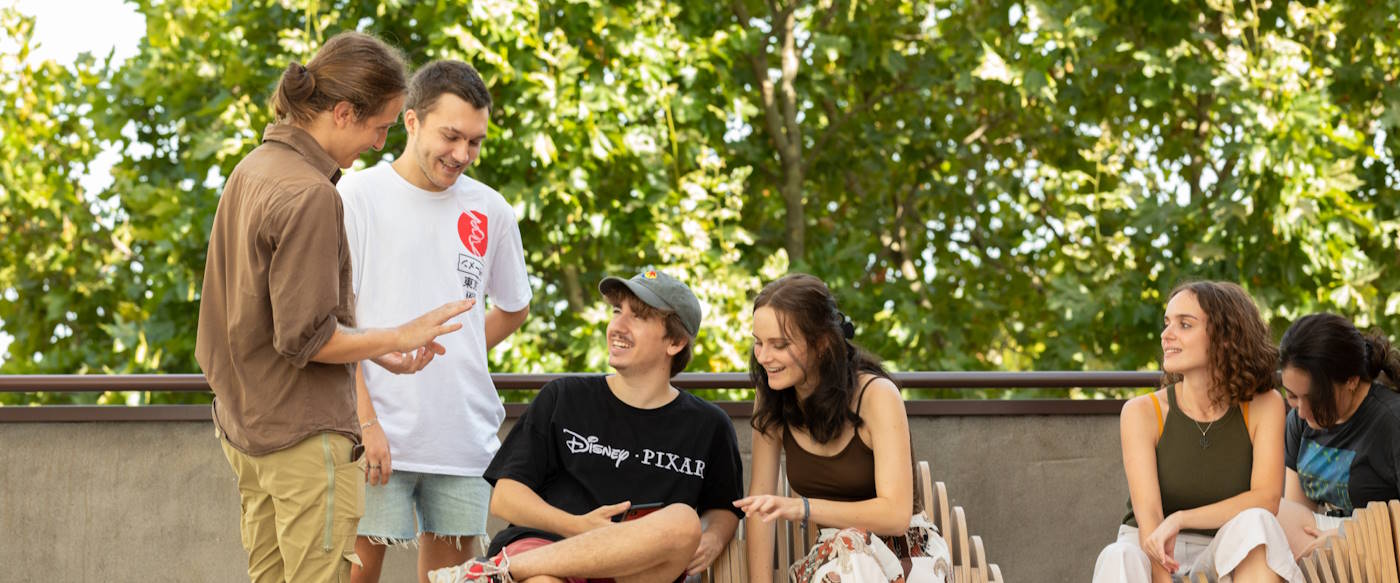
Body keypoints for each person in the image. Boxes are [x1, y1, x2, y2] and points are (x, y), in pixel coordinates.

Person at [196, 32, 473, 582]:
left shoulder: (254, 167)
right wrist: (398, 336)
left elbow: (274, 316)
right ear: (344, 113)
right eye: (381, 127)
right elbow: (306, 339)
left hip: (246, 429)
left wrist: (371, 352)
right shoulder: (311, 193)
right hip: (300, 438)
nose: (378, 144)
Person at [338, 59, 533, 583]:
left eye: (475, 141)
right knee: (357, 576)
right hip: (376, 434)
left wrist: (461, 349)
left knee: (450, 581)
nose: (462, 154)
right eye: (451, 136)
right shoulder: (355, 197)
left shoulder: (491, 210)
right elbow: (337, 322)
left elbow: (515, 307)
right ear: (411, 121)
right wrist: (366, 422)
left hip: (461, 437)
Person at [429, 269, 744, 583]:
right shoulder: (565, 397)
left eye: (638, 317)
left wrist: (714, 537)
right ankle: (505, 571)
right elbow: (506, 498)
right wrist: (578, 526)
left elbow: (724, 508)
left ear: (675, 342)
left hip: (633, 571)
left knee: (683, 522)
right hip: (546, 554)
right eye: (617, 311)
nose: (617, 326)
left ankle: (492, 573)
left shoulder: (709, 425)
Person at [736, 273, 949, 583]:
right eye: (758, 343)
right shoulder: (771, 398)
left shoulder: (875, 395)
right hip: (842, 558)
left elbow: (896, 515)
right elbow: (760, 505)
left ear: (821, 343)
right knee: (851, 565)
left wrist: (803, 508)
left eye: (779, 345)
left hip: (908, 555)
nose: (764, 357)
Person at [1091, 281, 1301, 583]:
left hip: (1224, 549)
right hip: (1148, 553)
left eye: (1184, 325)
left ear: (1225, 338)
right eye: (1167, 324)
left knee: (1258, 522)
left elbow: (1266, 499)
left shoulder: (1264, 406)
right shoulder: (1142, 412)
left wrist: (1181, 518)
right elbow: (1150, 522)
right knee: (1117, 556)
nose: (1166, 335)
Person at [1274, 313, 1400, 558]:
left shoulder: (1391, 422)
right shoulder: (1299, 422)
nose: (1300, 411)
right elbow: (1296, 512)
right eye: (1291, 395)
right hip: (1322, 543)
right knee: (1267, 517)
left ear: (1351, 380)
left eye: (1313, 399)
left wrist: (1349, 535)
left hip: (1380, 546)